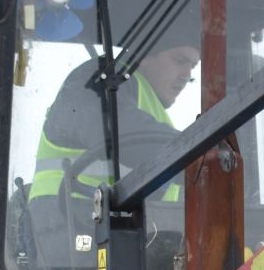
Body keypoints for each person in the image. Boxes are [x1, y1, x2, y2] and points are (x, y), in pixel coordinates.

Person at [25, 37, 198, 256]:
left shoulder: (152, 111)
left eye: (192, 66)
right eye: (180, 61)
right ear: (143, 56)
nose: (187, 75)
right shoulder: (99, 82)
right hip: (70, 220)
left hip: (123, 227)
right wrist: (203, 155)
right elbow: (118, 130)